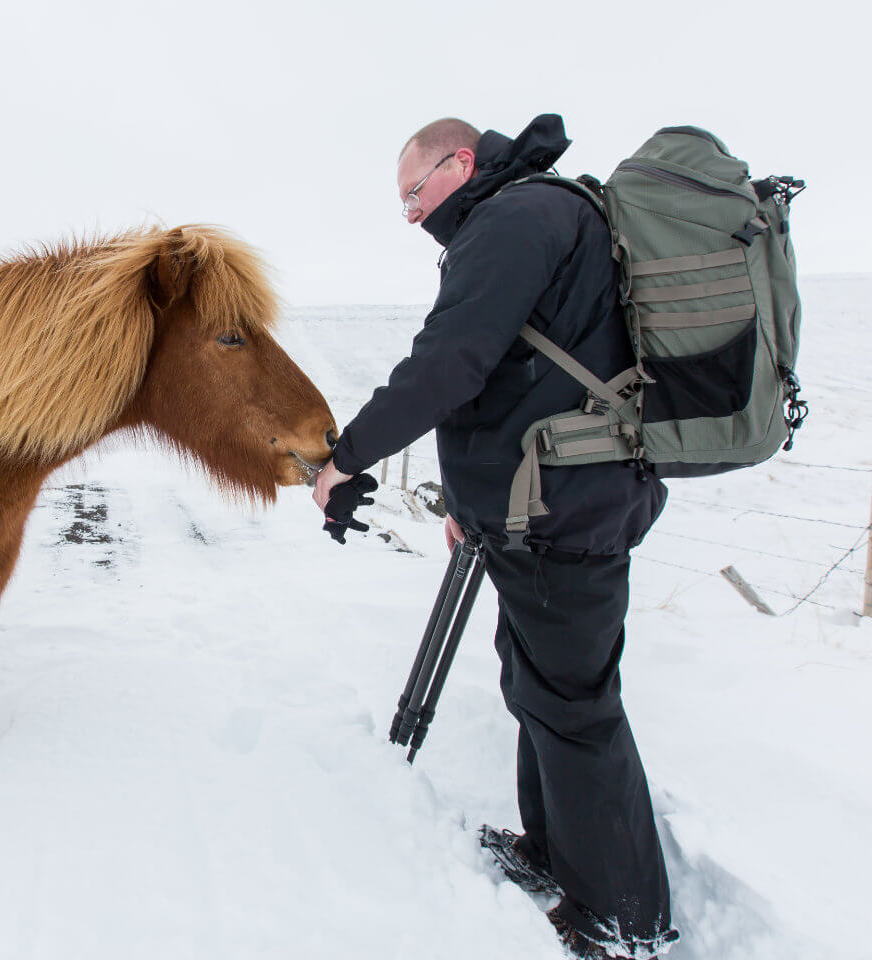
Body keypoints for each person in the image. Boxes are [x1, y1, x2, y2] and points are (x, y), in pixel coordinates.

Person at [312, 114, 678, 958]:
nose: (410, 215)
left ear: (461, 162)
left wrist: (347, 457)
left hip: (566, 512)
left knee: (577, 707)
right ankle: (558, 855)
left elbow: (449, 362)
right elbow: (520, 378)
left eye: (415, 192)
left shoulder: (513, 220)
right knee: (540, 687)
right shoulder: (529, 217)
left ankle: (623, 917)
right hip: (544, 505)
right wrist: (474, 504)